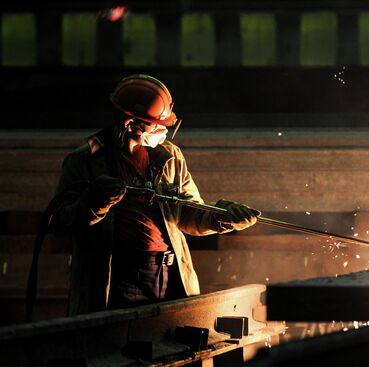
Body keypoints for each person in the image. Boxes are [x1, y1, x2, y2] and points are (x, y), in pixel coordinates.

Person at [51, 74, 260, 315]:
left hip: (170, 275)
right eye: (157, 125)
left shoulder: (168, 157)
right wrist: (93, 204)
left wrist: (222, 217)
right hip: (119, 280)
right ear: (130, 123)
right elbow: (59, 222)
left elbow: (188, 213)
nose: (163, 131)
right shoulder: (85, 162)